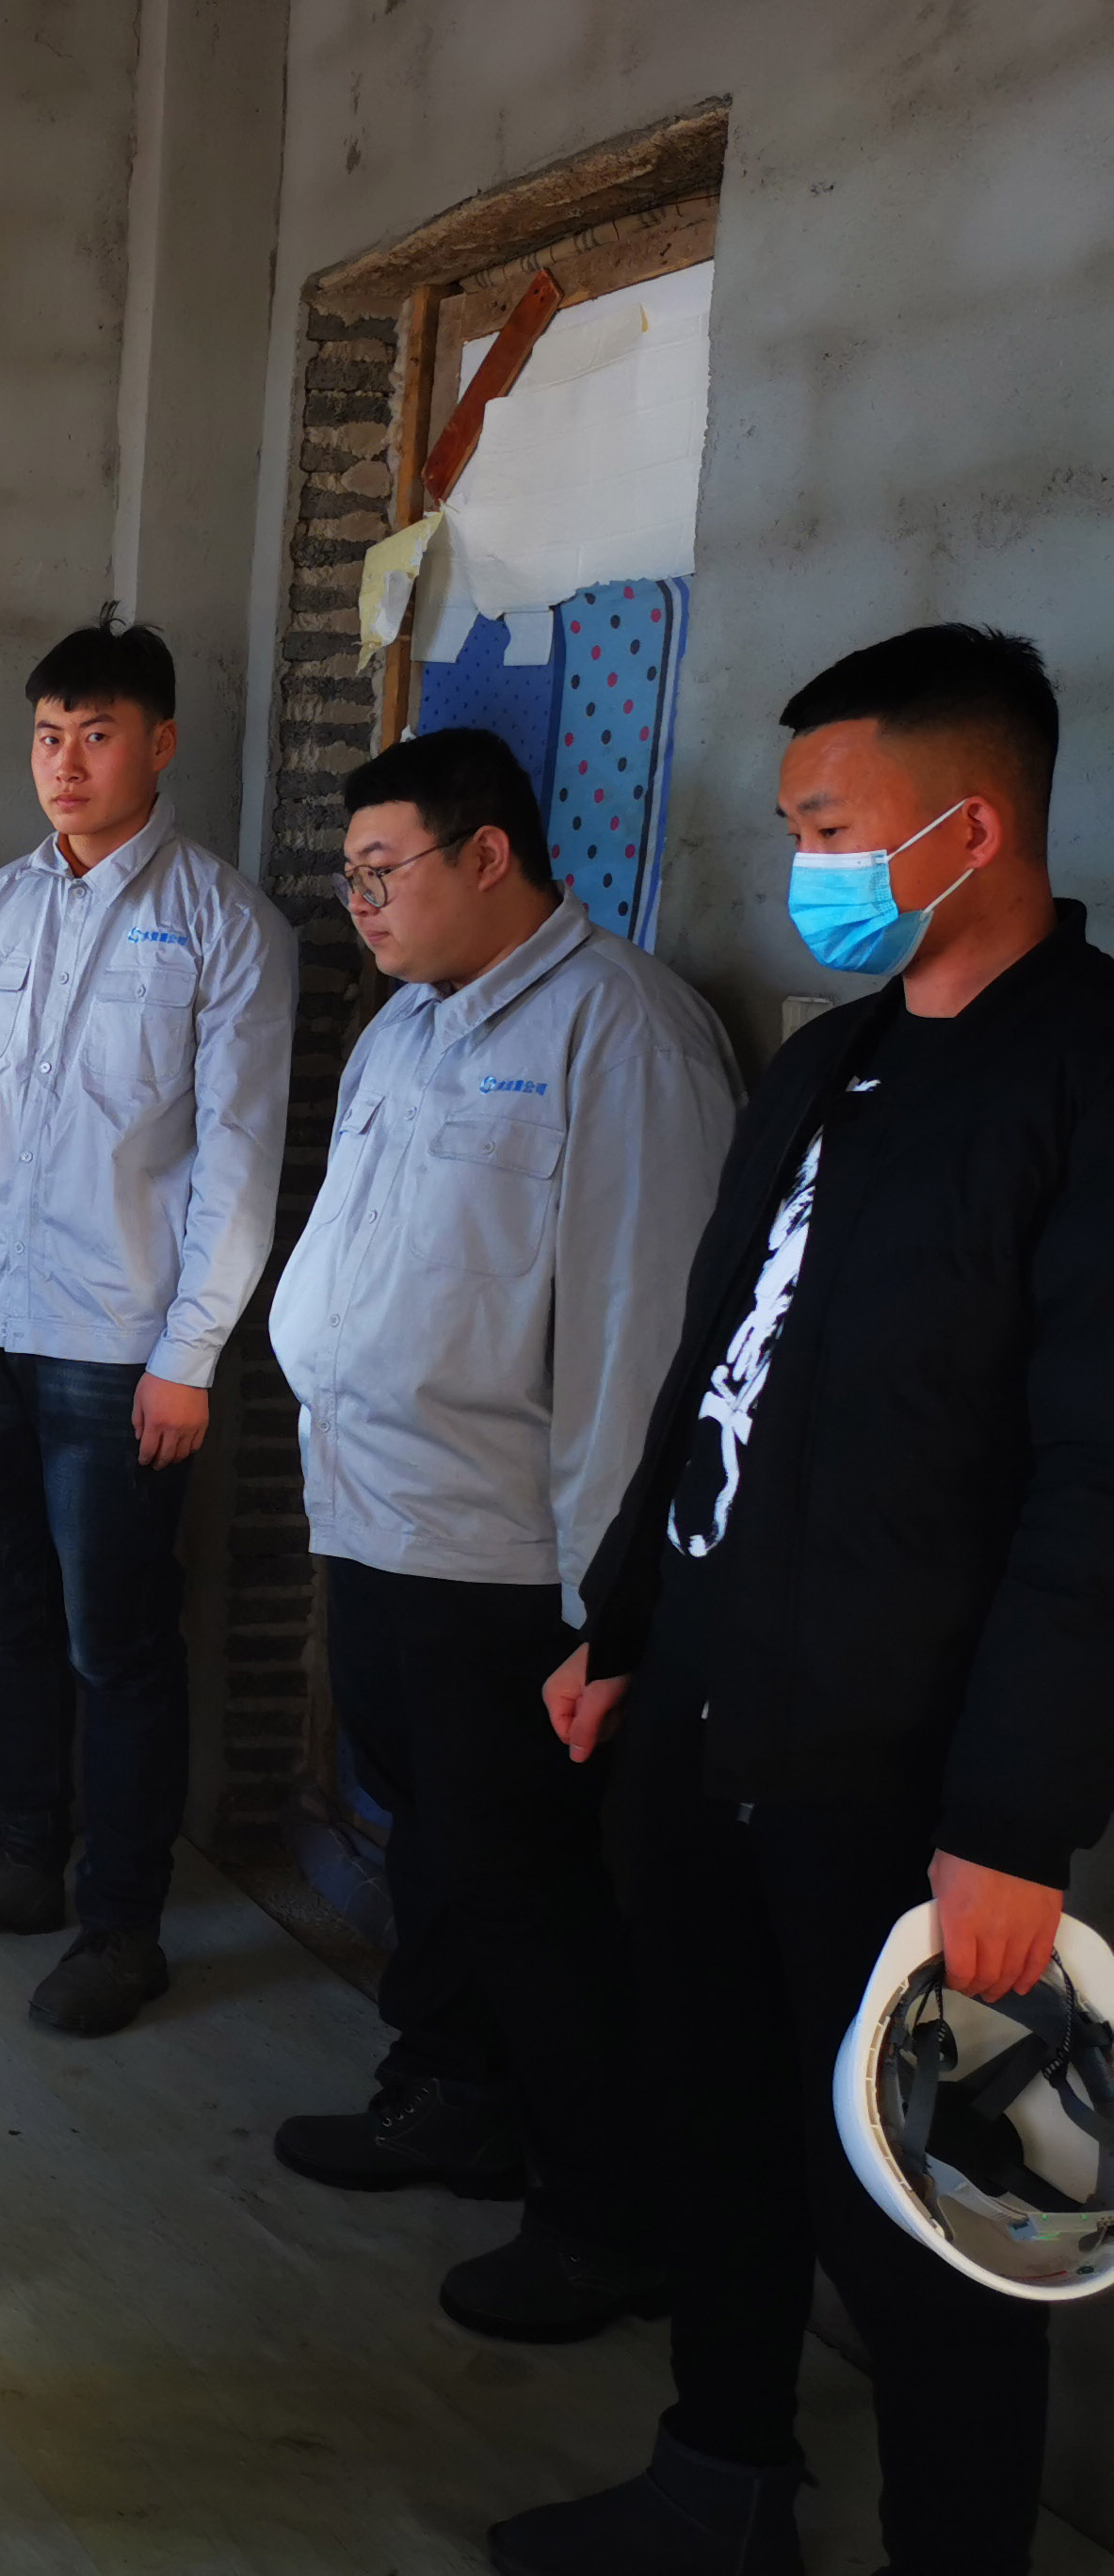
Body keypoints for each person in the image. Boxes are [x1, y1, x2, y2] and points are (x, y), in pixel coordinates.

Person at [492, 626, 1114, 2576]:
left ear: (970, 826)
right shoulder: (831, 1066)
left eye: (832, 828)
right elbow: (714, 1374)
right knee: (718, 2122)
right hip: (707, 1705)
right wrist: (621, 1629)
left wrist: (1010, 1820)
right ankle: (720, 2478)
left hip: (899, 1769)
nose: (804, 868)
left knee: (931, 2214)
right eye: (794, 829)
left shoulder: (1085, 1081)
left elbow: (1098, 1488)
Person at [265, 729, 738, 2342]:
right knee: (435, 1846)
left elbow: (636, 1338)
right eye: (350, 875)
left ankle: (606, 2214)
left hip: (508, 1561)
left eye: (381, 870)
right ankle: (453, 2096)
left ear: (488, 855)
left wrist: (612, 1606)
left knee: (530, 1886)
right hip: (373, 1517)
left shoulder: (623, 1034)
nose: (360, 903)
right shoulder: (404, 1029)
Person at [0, 617, 298, 2036]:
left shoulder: (227, 925)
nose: (65, 763)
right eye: (49, 736)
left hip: (122, 1350)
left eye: (98, 734)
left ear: (161, 744)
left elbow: (240, 1156)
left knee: (116, 1640)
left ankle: (122, 1923)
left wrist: (191, 1355)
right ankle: (19, 1861)